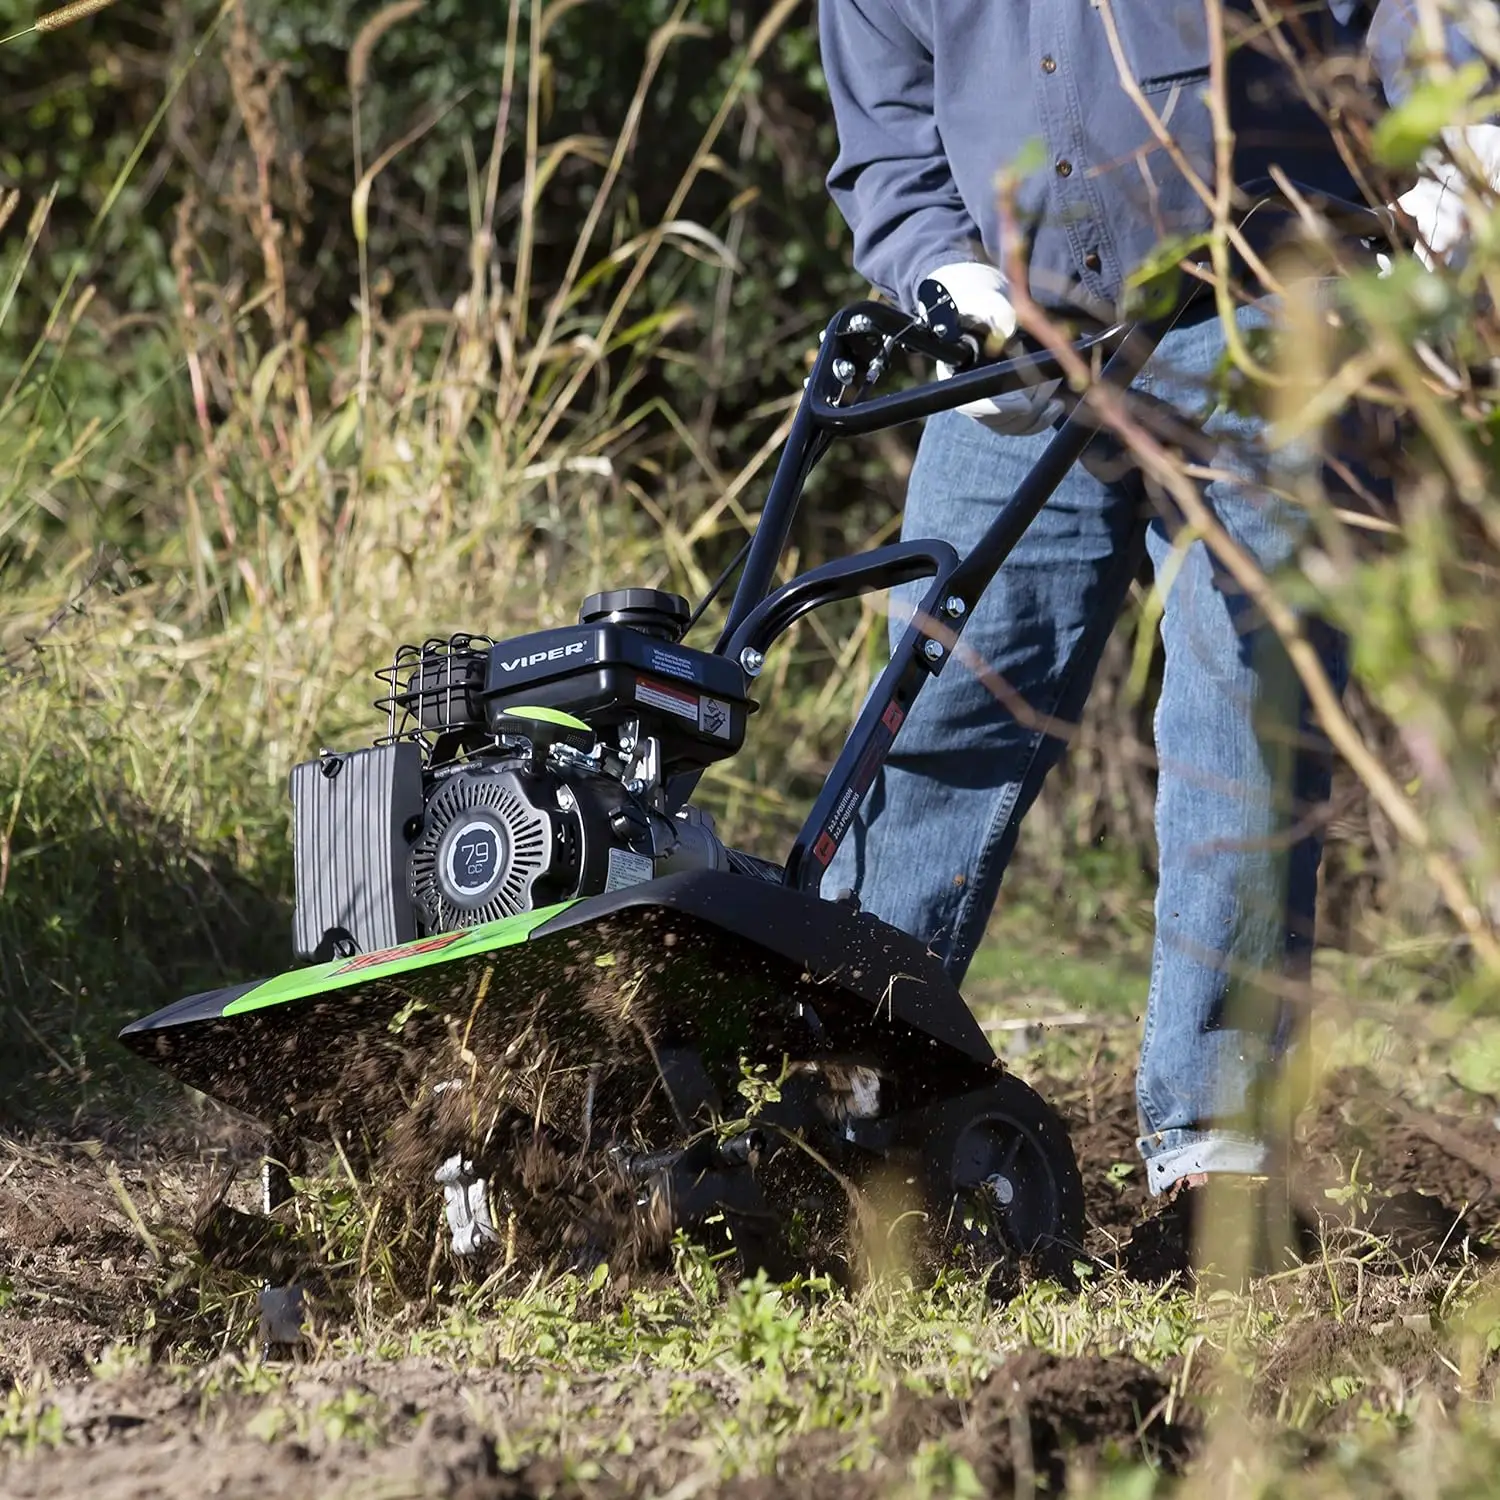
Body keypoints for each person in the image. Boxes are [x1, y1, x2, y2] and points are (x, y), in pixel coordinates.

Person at [815, 0, 1498, 1269]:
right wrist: (938, 269)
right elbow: (887, 135)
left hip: (1272, 314)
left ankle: (1218, 1168)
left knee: (1247, 706)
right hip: (1014, 349)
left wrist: (1469, 152)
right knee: (943, 697)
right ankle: (854, 1106)